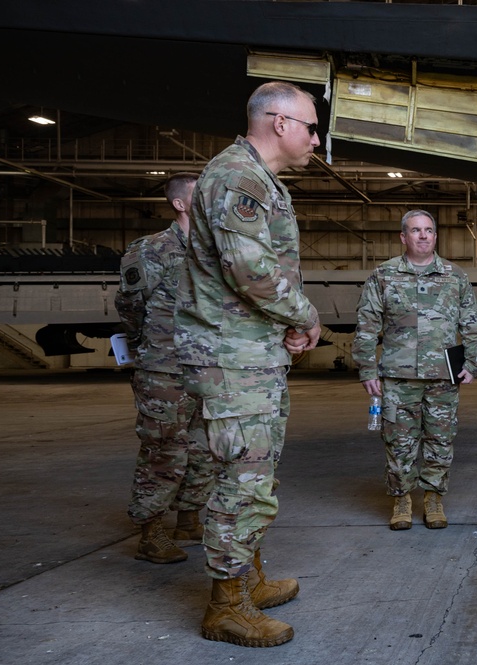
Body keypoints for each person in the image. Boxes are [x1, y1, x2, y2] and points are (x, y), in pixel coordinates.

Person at [175, 81, 322, 648]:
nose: (316, 139)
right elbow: (251, 270)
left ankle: (247, 578)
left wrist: (281, 324)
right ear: (280, 123)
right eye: (311, 127)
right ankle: (226, 606)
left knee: (253, 471)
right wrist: (305, 315)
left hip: (249, 350)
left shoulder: (259, 180)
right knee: (243, 477)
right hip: (230, 355)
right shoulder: (238, 177)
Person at [353, 210, 477, 532]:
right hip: (398, 377)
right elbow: (366, 325)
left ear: (435, 236)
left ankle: (432, 497)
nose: (424, 235)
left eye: (429, 230)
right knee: (399, 442)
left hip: (443, 376)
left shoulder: (454, 276)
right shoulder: (383, 276)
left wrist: (474, 363)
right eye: (416, 231)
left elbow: (471, 322)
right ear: (404, 237)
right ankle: (402, 499)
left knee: (440, 439)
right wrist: (366, 369)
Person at [116, 172, 214, 565]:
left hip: (206, 367)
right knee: (164, 450)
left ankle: (189, 518)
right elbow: (130, 306)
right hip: (165, 369)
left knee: (204, 449)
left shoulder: (215, 249)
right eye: (199, 195)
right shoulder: (152, 250)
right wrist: (154, 345)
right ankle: (151, 529)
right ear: (180, 204)